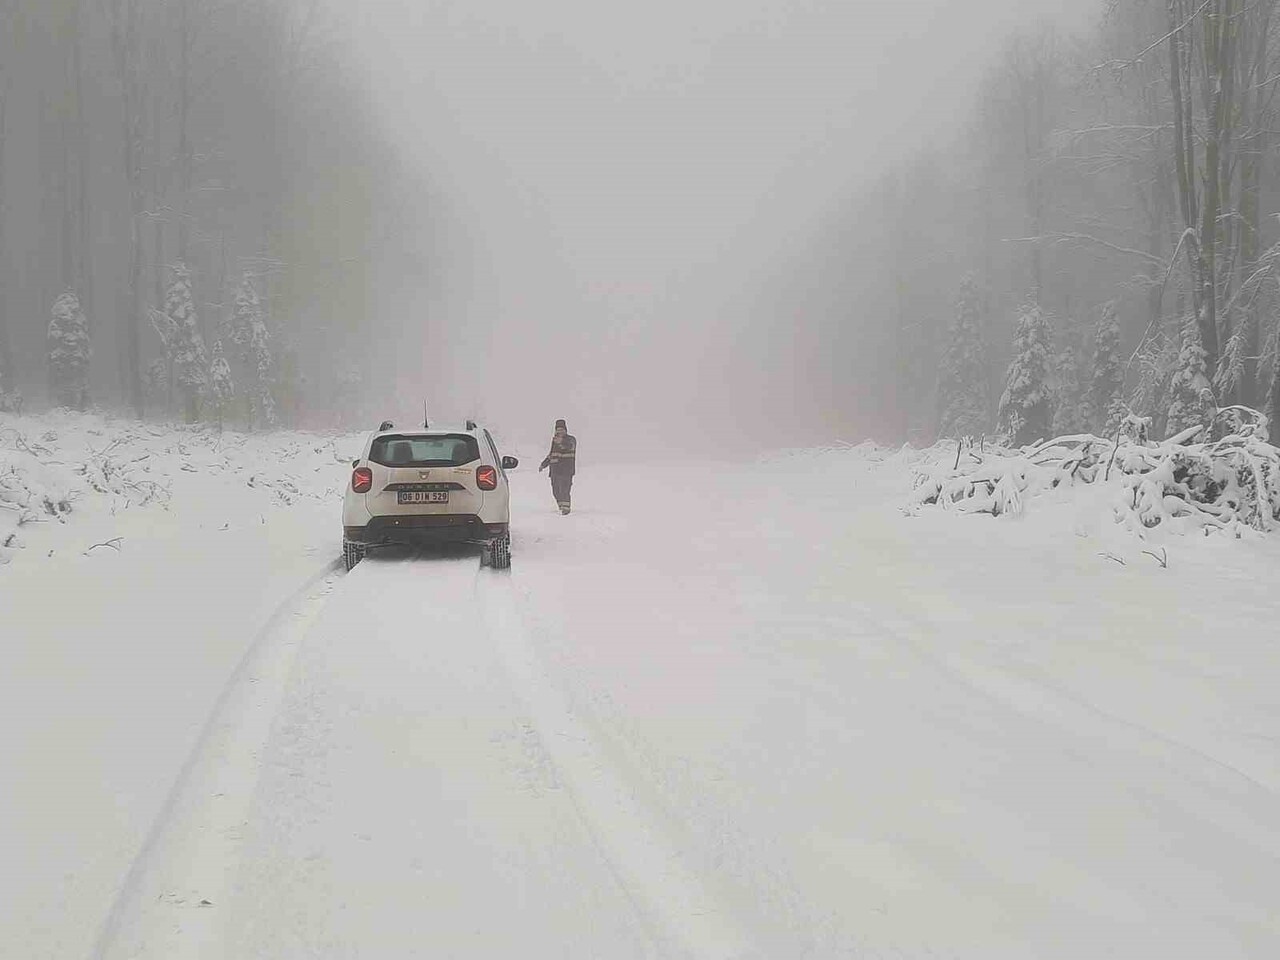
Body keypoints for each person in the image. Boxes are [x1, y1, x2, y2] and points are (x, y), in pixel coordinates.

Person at [538, 418, 577, 514]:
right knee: (555, 490)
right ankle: (561, 506)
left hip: (566, 470)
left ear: (565, 430)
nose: (559, 432)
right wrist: (543, 464)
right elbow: (551, 454)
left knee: (564, 489)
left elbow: (569, 446)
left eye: (561, 430)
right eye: (558, 430)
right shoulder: (554, 441)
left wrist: (561, 442)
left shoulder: (571, 439)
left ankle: (566, 508)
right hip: (555, 470)